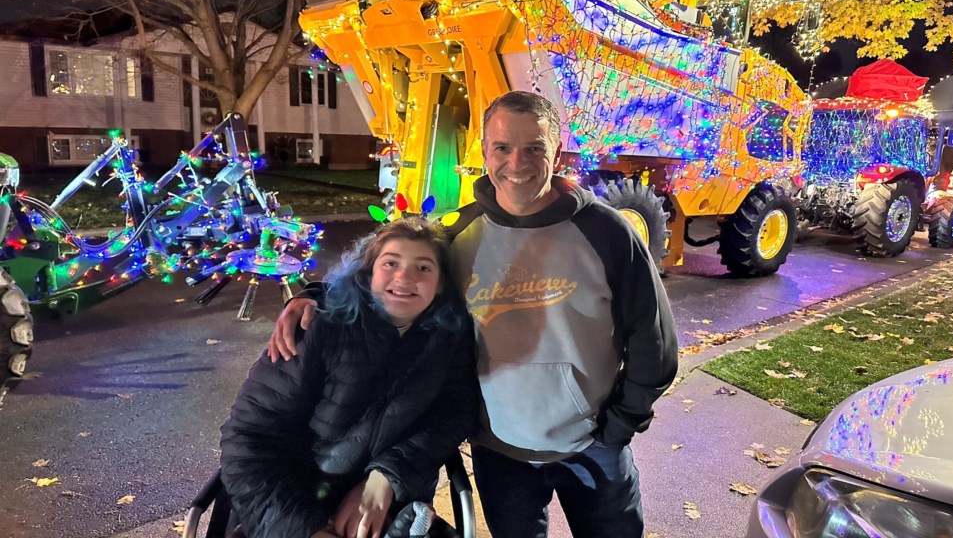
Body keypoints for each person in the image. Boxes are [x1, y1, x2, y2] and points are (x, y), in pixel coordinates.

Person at [271, 91, 679, 538]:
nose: (517, 163)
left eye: (534, 148)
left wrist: (619, 426)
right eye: (502, 147)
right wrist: (313, 295)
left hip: (594, 447)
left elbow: (653, 340)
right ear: (484, 150)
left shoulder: (607, 232)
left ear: (557, 152)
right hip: (499, 452)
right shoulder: (460, 232)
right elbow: (387, 273)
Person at [221, 217, 478, 538]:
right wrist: (303, 529)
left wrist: (385, 479)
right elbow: (250, 439)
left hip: (393, 500)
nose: (404, 277)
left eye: (423, 268)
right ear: (369, 273)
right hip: (290, 499)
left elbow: (453, 415)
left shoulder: (449, 340)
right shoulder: (315, 330)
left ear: (440, 283)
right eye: (390, 263)